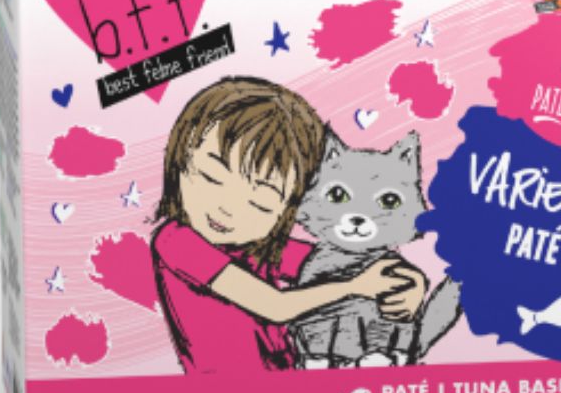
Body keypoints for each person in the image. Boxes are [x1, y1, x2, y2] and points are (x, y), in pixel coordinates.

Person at [151, 77, 426, 374]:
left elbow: (342, 260)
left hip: (289, 375)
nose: (226, 209)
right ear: (179, 162)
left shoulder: (260, 244)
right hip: (228, 388)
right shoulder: (176, 241)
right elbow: (275, 306)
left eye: (260, 204)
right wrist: (357, 286)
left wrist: (409, 282)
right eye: (211, 177)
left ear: (289, 209)